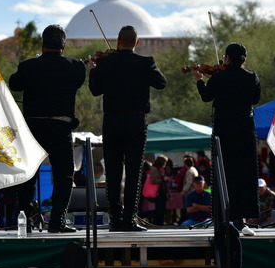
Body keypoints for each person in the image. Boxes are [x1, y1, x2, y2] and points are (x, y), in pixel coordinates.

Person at [88, 25, 167, 231]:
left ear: (118, 41)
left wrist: (94, 69)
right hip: (136, 121)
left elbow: (95, 90)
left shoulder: (105, 62)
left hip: (112, 121)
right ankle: (130, 219)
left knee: (113, 172)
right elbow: (161, 83)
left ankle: (115, 220)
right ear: (137, 43)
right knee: (134, 172)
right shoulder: (146, 62)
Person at [9, 24, 86, 233]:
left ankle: (25, 221)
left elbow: (14, 84)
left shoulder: (28, 66)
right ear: (64, 45)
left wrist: (35, 63)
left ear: (42, 43)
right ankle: (57, 221)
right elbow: (78, 80)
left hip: (33, 127)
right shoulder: (75, 66)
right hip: (61, 126)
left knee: (27, 175)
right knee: (64, 176)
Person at [192, 43, 260, 236]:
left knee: (224, 172)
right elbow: (255, 99)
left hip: (224, 130)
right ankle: (241, 220)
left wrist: (199, 80)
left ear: (227, 58)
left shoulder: (219, 77)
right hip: (245, 129)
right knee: (244, 174)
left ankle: (223, 218)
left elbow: (206, 96)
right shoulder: (251, 76)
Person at [145, 155, 168, 226]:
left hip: (161, 192)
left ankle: (160, 221)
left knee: (161, 208)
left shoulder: (159, 169)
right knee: (159, 208)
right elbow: (153, 180)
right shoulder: (154, 169)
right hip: (158, 192)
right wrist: (163, 180)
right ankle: (158, 222)